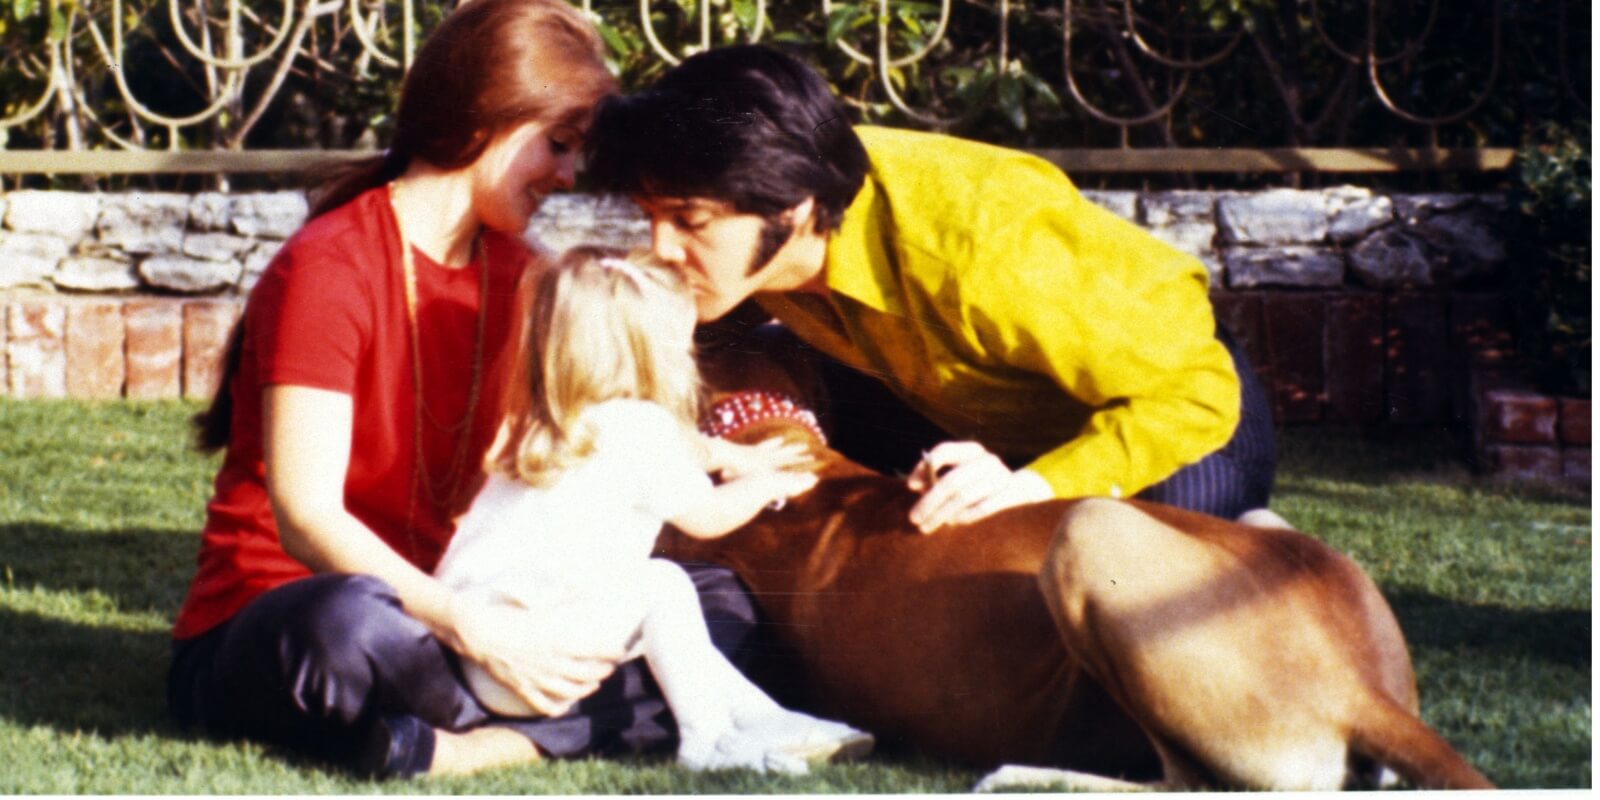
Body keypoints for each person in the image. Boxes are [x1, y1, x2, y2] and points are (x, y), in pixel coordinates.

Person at [167, 0, 767, 779]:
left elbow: (602, 420)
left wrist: (728, 455)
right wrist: (475, 631)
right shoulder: (330, 267)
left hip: (462, 626)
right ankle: (547, 725)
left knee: (712, 604)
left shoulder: (522, 272)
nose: (568, 174)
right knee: (342, 628)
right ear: (487, 117)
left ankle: (468, 745)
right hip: (312, 617)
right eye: (557, 144)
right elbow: (305, 519)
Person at [583, 44, 1278, 532]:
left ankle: (1261, 540)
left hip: (1175, 402)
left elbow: (1191, 391)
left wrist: (1032, 488)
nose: (660, 249)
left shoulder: (983, 239)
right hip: (957, 405)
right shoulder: (755, 234)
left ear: (790, 210)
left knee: (1138, 558)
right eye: (651, 219)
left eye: (688, 221)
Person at [434, 245, 873, 774]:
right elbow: (707, 516)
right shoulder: (644, 428)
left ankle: (769, 719)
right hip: (541, 663)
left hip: (477, 652)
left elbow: (690, 449)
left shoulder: (553, 424)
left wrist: (736, 455)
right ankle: (706, 741)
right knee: (661, 587)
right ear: (648, 353)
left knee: (668, 625)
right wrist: (767, 483)